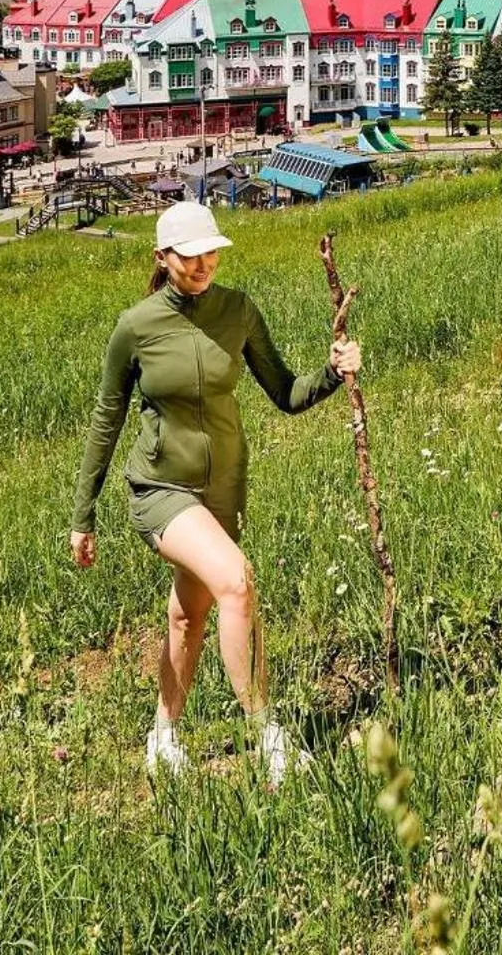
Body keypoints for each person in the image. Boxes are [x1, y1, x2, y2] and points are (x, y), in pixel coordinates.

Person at [69, 200, 359, 785]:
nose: (203, 263)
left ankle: (163, 735)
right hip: (160, 488)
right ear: (162, 257)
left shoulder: (238, 311)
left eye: (211, 252)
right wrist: (84, 513)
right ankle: (267, 732)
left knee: (188, 616)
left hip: (224, 489)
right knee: (236, 581)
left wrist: (332, 372)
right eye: (190, 253)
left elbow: (285, 392)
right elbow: (107, 418)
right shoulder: (136, 326)